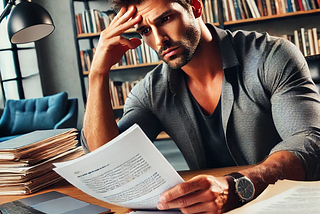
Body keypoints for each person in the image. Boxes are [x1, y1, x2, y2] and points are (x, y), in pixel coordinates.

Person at [81, 0, 320, 212]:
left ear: (195, 6)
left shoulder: (271, 56)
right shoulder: (151, 91)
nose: (159, 39)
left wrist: (236, 186)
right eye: (145, 31)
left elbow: (309, 142)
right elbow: (108, 159)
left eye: (165, 19)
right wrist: (98, 74)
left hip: (288, 201)